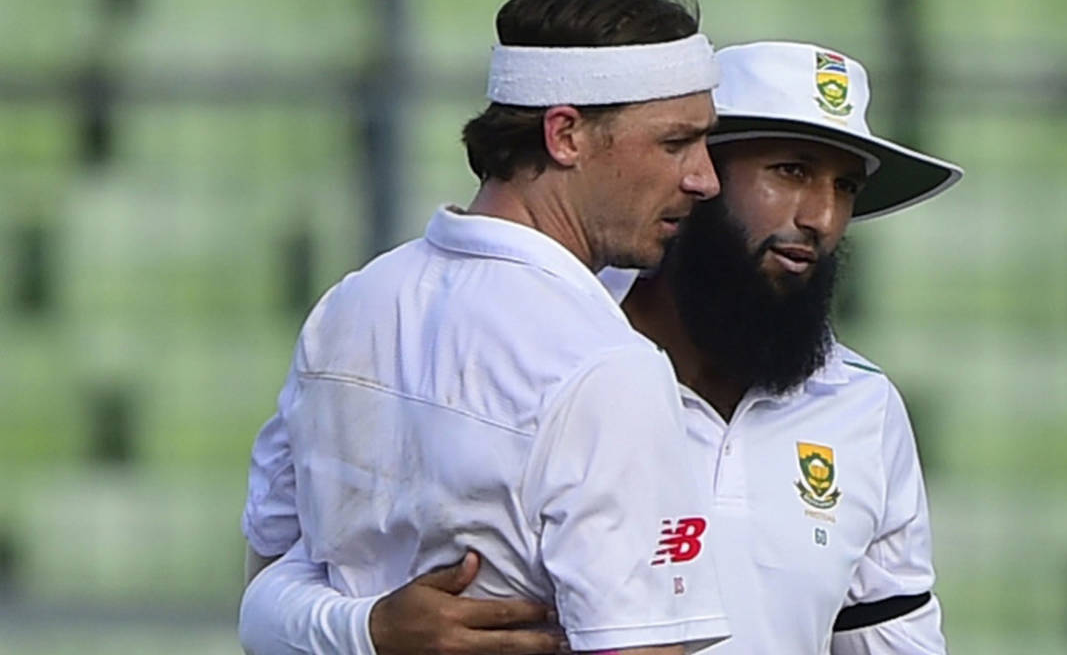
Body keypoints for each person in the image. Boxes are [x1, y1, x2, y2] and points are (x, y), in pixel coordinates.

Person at [240, 41, 963, 654]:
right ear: (696, 171)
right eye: (791, 172)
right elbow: (272, 583)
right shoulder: (538, 351)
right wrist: (366, 629)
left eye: (844, 188)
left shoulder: (863, 408)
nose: (822, 218)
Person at [238, 0, 735, 655]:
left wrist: (362, 632)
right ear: (565, 135)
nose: (705, 178)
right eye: (676, 142)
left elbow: (269, 575)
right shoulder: (606, 365)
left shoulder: (348, 306)